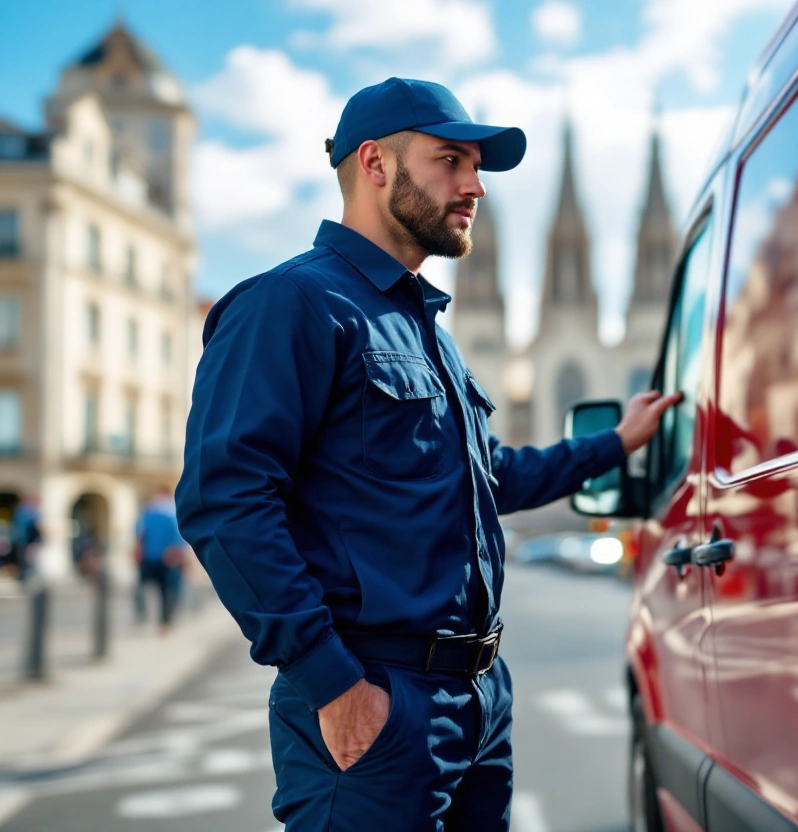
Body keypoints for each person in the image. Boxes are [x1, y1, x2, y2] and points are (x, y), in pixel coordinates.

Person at [175, 78, 678, 832]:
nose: (474, 185)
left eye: (476, 165)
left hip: (476, 704)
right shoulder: (291, 304)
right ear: (375, 165)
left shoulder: (428, 330)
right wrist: (330, 680)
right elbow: (225, 502)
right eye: (451, 160)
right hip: (376, 695)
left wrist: (612, 443)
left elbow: (487, 477)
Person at [134, 484, 187, 631]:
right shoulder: (172, 513)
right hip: (167, 559)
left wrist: (138, 553)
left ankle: (144, 617)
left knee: (143, 589)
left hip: (151, 558)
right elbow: (180, 537)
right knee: (167, 591)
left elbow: (139, 535)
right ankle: (165, 622)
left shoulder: (147, 512)